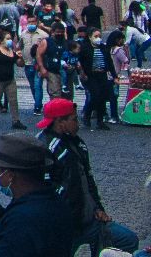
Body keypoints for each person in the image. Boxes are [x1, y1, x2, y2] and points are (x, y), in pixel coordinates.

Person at [38, 96, 138, 254]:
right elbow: (45, 189)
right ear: (60, 122)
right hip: (65, 224)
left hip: (89, 220)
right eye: (74, 119)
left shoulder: (76, 143)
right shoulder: (45, 147)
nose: (78, 123)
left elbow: (88, 179)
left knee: (127, 239)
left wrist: (98, 208)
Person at [75, 26, 111, 129]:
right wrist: (82, 73)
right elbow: (79, 62)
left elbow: (109, 61)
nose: (98, 38)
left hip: (102, 75)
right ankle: (87, 114)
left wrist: (114, 75)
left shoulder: (103, 47)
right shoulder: (85, 48)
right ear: (90, 37)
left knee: (102, 97)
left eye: (99, 36)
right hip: (90, 75)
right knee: (95, 95)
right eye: (95, 36)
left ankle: (100, 121)